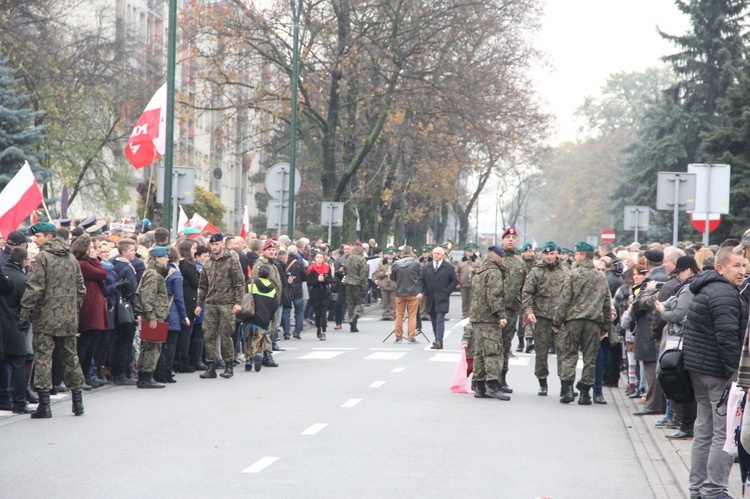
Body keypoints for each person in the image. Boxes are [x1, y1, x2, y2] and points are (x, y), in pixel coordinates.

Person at [683, 246, 747, 499]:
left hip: (700, 369)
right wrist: (738, 378)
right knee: (723, 432)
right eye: (736, 266)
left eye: (744, 265)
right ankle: (715, 489)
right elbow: (727, 338)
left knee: (704, 430)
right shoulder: (725, 294)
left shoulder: (708, 288)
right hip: (719, 373)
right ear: (721, 268)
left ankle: (698, 488)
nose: (742, 271)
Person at [19, 222, 87, 418]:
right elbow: (81, 289)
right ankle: (78, 402)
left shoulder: (42, 258)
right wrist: (73, 310)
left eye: (38, 236)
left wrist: (25, 313)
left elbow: (35, 288)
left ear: (49, 237)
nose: (35, 240)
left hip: (45, 319)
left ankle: (44, 405)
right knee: (71, 358)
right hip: (68, 319)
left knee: (43, 358)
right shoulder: (71, 258)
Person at [552, 241, 612, 405]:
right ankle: (585, 393)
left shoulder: (573, 274)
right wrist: (606, 327)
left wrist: (557, 322)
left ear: (583, 256)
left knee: (569, 355)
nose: (575, 257)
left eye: (577, 254)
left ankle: (568, 390)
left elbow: (564, 300)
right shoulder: (600, 278)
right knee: (590, 358)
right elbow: (607, 304)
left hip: (573, 321)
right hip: (593, 323)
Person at [654, 255, 700, 439]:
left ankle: (686, 425)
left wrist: (662, 310)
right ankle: (685, 423)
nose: (677, 276)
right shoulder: (691, 286)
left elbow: (678, 313)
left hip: (684, 339)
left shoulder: (689, 288)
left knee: (682, 379)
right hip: (690, 340)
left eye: (679, 272)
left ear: (688, 270)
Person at [521, 241, 568, 396]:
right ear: (542, 254)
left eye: (552, 254)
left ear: (557, 254)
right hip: (541, 317)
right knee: (541, 352)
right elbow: (527, 292)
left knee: (564, 351)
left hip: (561, 319)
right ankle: (542, 382)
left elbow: (571, 294)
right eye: (546, 254)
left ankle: (565, 384)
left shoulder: (565, 271)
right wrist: (528, 311)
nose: (549, 257)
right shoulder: (536, 271)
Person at [197, 233, 245, 378]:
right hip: (211, 303)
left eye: (217, 244)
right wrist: (199, 304)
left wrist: (238, 302)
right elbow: (203, 285)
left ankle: (229, 365)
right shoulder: (208, 263)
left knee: (225, 335)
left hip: (227, 303)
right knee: (209, 335)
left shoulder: (232, 260)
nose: (214, 247)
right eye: (212, 244)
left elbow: (239, 283)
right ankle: (211, 366)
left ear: (222, 244)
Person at [469, 246, 509, 401]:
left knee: (479, 353)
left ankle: (480, 387)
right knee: (493, 351)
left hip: (477, 318)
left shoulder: (480, 272)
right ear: (499, 258)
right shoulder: (494, 272)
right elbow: (494, 296)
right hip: (489, 318)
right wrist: (501, 315)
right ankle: (492, 385)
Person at [71, 236, 108, 390]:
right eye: (91, 248)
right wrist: (97, 260)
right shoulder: (83, 264)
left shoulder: (88, 263)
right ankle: (81, 376)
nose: (94, 251)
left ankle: (87, 374)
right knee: (85, 342)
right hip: (89, 306)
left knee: (92, 341)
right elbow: (102, 274)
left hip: (95, 305)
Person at [134, 246, 171, 389]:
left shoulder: (155, 273)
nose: (167, 259)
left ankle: (144, 376)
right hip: (153, 315)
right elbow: (147, 296)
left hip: (155, 314)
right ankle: (146, 376)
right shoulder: (153, 274)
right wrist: (152, 316)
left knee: (149, 345)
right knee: (152, 346)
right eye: (164, 257)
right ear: (156, 258)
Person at [0, 248, 27, 413]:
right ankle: (19, 402)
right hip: (15, 324)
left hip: (2, 325)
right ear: (24, 261)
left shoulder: (4, 273)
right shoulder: (22, 279)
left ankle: (4, 397)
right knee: (18, 362)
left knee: (4, 362)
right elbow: (26, 305)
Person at [109, 238, 139, 385]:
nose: (134, 253)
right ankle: (121, 374)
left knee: (117, 341)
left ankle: (115, 372)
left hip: (117, 307)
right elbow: (132, 291)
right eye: (132, 250)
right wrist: (137, 312)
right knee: (126, 342)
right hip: (126, 309)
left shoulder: (114, 264)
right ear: (124, 252)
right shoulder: (127, 268)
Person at [499, 227, 526, 392]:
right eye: (507, 237)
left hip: (511, 310)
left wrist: (525, 311)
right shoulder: (496, 259)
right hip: (494, 310)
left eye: (513, 237)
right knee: (490, 345)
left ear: (517, 241)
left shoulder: (520, 263)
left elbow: (525, 289)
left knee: (506, 345)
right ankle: (485, 379)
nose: (510, 240)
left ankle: (502, 378)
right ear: (502, 240)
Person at [157, 247, 189, 383]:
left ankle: (157, 371)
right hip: (173, 311)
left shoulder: (160, 273)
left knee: (160, 343)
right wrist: (184, 315)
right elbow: (179, 297)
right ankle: (167, 372)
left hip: (160, 310)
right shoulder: (175, 275)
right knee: (171, 343)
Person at [243, 264, 281, 372]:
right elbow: (275, 304)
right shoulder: (272, 288)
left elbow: (244, 297)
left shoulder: (250, 283)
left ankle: (248, 362)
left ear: (258, 273)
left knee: (248, 339)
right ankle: (259, 353)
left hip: (250, 316)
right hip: (264, 318)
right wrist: (269, 315)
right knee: (259, 339)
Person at [420, 246, 458, 350]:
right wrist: (422, 291)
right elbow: (421, 280)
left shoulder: (449, 267)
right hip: (430, 297)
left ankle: (438, 340)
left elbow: (454, 281)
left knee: (440, 319)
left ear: (443, 255)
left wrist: (447, 291)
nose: (435, 255)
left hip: (442, 297)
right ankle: (438, 340)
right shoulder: (426, 267)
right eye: (434, 253)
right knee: (433, 319)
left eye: (438, 254)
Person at [252, 240, 282, 367]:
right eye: (269, 249)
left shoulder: (272, 264)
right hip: (264, 302)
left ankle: (264, 353)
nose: (272, 251)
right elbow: (255, 281)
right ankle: (266, 354)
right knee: (266, 329)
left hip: (272, 301)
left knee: (270, 328)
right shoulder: (261, 263)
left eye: (273, 249)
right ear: (264, 250)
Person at [390, 245, 423, 344]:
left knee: (399, 315)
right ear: (411, 252)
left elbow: (392, 278)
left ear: (402, 253)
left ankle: (398, 337)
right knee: (412, 315)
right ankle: (411, 337)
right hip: (413, 293)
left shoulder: (396, 263)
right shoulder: (416, 263)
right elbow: (420, 276)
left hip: (399, 292)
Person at [307, 251, 332, 340]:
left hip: (325, 293)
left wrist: (324, 279)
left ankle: (324, 332)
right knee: (317, 314)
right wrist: (317, 280)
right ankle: (318, 328)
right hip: (315, 294)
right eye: (318, 257)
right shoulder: (311, 269)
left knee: (323, 313)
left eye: (321, 257)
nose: (319, 259)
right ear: (315, 259)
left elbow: (330, 280)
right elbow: (309, 282)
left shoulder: (327, 268)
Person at [343, 243, 368, 332]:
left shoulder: (348, 259)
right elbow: (363, 273)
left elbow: (344, 269)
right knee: (360, 303)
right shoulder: (362, 260)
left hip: (348, 283)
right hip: (357, 284)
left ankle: (352, 326)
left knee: (350, 304)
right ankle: (354, 317)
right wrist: (364, 285)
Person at [456, 244, 482, 319]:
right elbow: (457, 272)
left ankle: (471, 315)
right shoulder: (460, 261)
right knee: (464, 301)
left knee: (472, 300)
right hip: (463, 283)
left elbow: (482, 270)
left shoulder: (477, 260)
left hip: (474, 284)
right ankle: (465, 315)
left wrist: (474, 270)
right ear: (465, 252)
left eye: (471, 251)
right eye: (469, 251)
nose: (471, 253)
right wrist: (457, 281)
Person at [372, 247, 397, 320]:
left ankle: (392, 313)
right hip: (384, 284)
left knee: (393, 301)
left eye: (391, 254)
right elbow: (375, 273)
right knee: (385, 301)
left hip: (393, 285)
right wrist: (383, 274)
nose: (390, 256)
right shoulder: (381, 263)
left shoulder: (396, 263)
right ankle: (386, 313)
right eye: (388, 254)